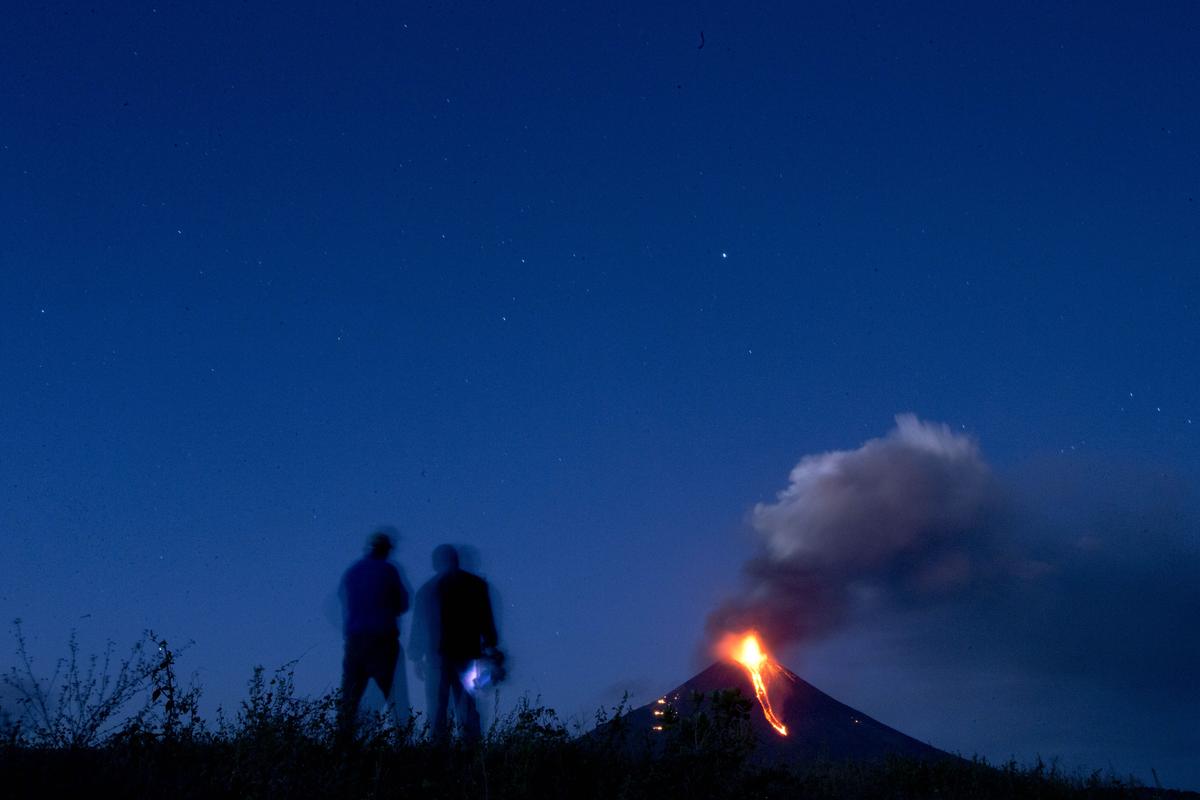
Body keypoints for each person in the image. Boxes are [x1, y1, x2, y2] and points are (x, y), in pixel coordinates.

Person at [410, 544, 500, 743]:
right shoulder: (475, 585)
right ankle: (472, 751)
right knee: (467, 704)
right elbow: (485, 618)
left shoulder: (427, 589)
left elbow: (418, 624)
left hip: (436, 656)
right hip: (466, 654)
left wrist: (416, 656)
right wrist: (491, 645)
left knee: (437, 708)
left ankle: (438, 754)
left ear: (436, 563)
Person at [338, 530, 410, 739]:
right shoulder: (389, 570)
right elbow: (404, 603)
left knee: (350, 698)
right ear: (387, 549)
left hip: (355, 640)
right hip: (383, 640)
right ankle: (403, 742)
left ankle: (343, 746)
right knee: (395, 696)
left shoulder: (353, 572)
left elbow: (344, 600)